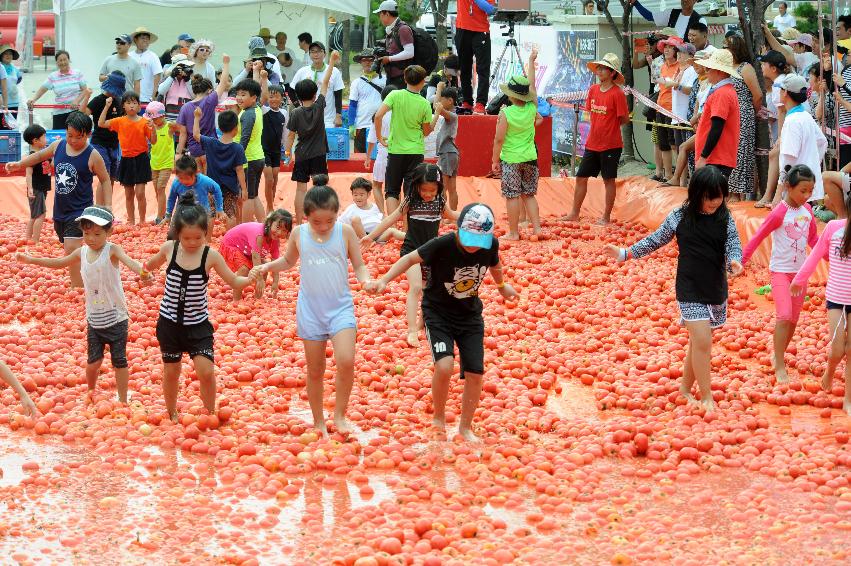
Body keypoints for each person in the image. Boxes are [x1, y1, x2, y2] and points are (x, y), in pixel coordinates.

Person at [366, 203, 517, 441]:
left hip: (470, 317)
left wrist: (501, 287)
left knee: (476, 373)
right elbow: (408, 259)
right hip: (437, 314)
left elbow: (495, 265)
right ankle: (438, 418)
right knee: (445, 366)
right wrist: (384, 280)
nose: (474, 246)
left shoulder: (490, 245)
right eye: (470, 239)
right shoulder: (441, 245)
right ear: (458, 230)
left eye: (479, 241)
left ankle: (465, 427)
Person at [605, 166, 743, 413]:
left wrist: (734, 261)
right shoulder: (680, 216)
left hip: (714, 287)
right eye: (710, 197)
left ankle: (684, 389)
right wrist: (626, 253)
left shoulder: (725, 218)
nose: (715, 202)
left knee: (697, 343)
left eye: (720, 196)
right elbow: (655, 240)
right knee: (703, 341)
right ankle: (707, 396)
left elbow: (733, 244)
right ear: (697, 193)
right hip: (689, 287)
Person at [251, 184, 372, 437]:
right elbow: (288, 261)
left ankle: (339, 415)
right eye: (317, 221)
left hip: (340, 308)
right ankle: (318, 421)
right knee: (315, 369)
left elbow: (359, 266)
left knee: (347, 360)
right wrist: (265, 267)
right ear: (306, 216)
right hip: (311, 311)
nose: (324, 226)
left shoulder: (345, 232)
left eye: (330, 220)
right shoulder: (299, 234)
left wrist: (366, 281)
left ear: (337, 214)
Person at [17, 206, 150, 403]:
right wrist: (31, 259)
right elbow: (59, 263)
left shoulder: (112, 250)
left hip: (116, 317)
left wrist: (144, 273)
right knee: (93, 362)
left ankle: (123, 399)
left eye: (97, 234)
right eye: (87, 233)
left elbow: (131, 262)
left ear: (109, 232)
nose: (91, 238)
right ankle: (91, 390)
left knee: (119, 361)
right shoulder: (81, 252)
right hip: (94, 318)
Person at [144, 192, 251, 422]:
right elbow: (149, 266)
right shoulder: (169, 249)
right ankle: (172, 412)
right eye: (187, 238)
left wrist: (252, 277)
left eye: (198, 238)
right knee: (171, 372)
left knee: (206, 371)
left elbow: (233, 281)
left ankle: (209, 413)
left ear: (205, 234)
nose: (192, 243)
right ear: (178, 235)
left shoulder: (210, 256)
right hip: (169, 324)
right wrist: (144, 274)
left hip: (198, 326)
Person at [4, 111, 112, 288]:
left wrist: (108, 206)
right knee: (68, 246)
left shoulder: (93, 155)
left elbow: (105, 179)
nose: (73, 141)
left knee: (71, 248)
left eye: (79, 137)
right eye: (70, 136)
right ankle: (91, 269)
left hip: (80, 210)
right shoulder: (58, 146)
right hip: (60, 210)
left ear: (88, 135)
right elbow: (39, 156)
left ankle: (77, 287)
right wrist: (19, 164)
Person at [364, 163, 458, 347]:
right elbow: (391, 218)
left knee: (429, 292)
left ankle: (423, 326)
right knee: (415, 288)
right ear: (416, 186)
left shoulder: (439, 202)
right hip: (411, 250)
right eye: (424, 190)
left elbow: (453, 214)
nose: (428, 194)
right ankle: (412, 331)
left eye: (432, 190)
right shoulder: (411, 201)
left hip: (432, 254)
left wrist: (475, 216)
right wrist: (371, 237)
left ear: (439, 188)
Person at [741, 165, 818, 383]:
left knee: (793, 320)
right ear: (788, 187)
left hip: (800, 275)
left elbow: (813, 240)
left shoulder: (809, 211)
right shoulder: (779, 212)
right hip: (781, 273)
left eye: (810, 191)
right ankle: (780, 364)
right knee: (784, 315)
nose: (807, 195)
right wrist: (742, 262)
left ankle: (778, 354)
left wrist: (834, 255)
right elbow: (758, 236)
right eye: (803, 190)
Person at [791, 196, 851, 414]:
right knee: (837, 349)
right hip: (836, 297)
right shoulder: (834, 228)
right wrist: (799, 279)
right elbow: (815, 255)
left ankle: (848, 400)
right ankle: (830, 371)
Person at [565, 53, 629, 225]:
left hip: (611, 145)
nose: (599, 71)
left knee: (609, 180)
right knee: (581, 177)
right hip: (592, 143)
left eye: (604, 68)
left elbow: (624, 119)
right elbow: (589, 112)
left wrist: (609, 127)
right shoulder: (593, 90)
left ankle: (606, 217)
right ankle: (574, 213)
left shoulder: (617, 94)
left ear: (612, 73)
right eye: (599, 68)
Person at [491, 52, 544, 238]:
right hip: (530, 157)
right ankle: (537, 228)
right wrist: (531, 61)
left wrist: (494, 160)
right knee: (529, 194)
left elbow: (498, 139)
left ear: (510, 96)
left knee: (512, 195)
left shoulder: (506, 113)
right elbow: (533, 85)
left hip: (511, 159)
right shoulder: (531, 109)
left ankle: (514, 232)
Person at [286, 52, 340, 224]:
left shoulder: (295, 113)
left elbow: (290, 135)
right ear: (315, 95)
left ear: (299, 96)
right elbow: (325, 82)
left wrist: (288, 152)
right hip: (318, 153)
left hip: (301, 154)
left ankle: (301, 222)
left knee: (301, 189)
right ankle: (322, 218)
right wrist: (331, 62)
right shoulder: (319, 107)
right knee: (321, 188)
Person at [374, 65, 433, 216]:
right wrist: (436, 116)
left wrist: (380, 137)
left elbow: (378, 116)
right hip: (416, 151)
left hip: (396, 150)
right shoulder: (425, 103)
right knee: (410, 190)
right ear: (422, 82)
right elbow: (426, 132)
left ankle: (393, 227)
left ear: (405, 79)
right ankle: (408, 228)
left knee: (391, 190)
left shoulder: (395, 95)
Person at [767, 75, 827, 207]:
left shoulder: (792, 121)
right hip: (808, 186)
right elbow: (823, 142)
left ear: (785, 93)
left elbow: (788, 161)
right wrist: (812, 165)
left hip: (796, 189)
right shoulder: (806, 116)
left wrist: (778, 194)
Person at [98, 91, 156, 225]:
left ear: (139, 106)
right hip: (126, 159)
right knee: (129, 194)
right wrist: (106, 107)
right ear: (123, 106)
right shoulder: (119, 121)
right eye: (128, 103)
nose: (131, 106)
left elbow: (153, 141)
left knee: (140, 192)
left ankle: (142, 220)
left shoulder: (145, 122)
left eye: (134, 103)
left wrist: (153, 130)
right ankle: (130, 220)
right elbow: (101, 123)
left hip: (141, 159)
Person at [220, 209, 292, 301]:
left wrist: (275, 282)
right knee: (244, 269)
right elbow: (255, 257)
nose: (279, 233)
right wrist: (260, 279)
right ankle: (236, 301)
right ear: (270, 223)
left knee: (264, 268)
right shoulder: (259, 235)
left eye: (284, 230)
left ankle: (257, 300)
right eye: (277, 227)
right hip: (231, 244)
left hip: (246, 250)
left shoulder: (275, 241)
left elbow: (275, 263)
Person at [193, 108, 247, 229]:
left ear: (220, 128)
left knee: (210, 213)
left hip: (212, 186)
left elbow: (196, 135)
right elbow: (239, 170)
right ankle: (230, 241)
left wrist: (197, 117)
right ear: (236, 128)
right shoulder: (237, 148)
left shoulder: (211, 143)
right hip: (230, 187)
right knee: (230, 214)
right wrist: (243, 189)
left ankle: (206, 242)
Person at [176, 56, 232, 172]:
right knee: (211, 182)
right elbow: (223, 82)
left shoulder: (185, 107)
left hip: (194, 151)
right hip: (210, 148)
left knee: (199, 184)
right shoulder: (210, 100)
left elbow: (182, 134)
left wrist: (178, 153)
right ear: (209, 90)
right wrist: (226, 64)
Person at [724, 34, 761, 202]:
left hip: (743, 116)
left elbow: (757, 95)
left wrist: (750, 112)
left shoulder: (745, 68)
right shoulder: (726, 67)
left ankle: (737, 194)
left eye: (728, 47)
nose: (725, 49)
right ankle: (729, 192)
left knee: (741, 154)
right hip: (728, 117)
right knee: (729, 153)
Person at [694, 49, 741, 179]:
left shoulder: (722, 94)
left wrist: (704, 156)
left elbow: (717, 127)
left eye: (709, 69)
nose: (706, 72)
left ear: (719, 71)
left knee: (710, 197)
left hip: (715, 159)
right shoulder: (725, 91)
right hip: (717, 158)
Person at [81, 72, 125, 185]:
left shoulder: (119, 101)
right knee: (104, 174)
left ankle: (108, 201)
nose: (115, 94)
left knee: (112, 177)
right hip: (99, 142)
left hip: (114, 144)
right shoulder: (98, 100)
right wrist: (86, 97)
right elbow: (82, 114)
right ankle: (103, 202)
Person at [164, 154, 226, 234]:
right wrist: (168, 215)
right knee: (177, 236)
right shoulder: (176, 183)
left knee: (200, 237)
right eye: (180, 178)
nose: (183, 181)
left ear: (196, 173)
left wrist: (219, 209)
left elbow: (217, 189)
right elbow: (171, 198)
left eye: (187, 178)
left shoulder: (204, 181)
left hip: (202, 215)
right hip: (182, 214)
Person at [28, 50, 87, 130]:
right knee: (58, 137)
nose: (63, 62)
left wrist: (77, 101)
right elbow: (42, 89)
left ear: (69, 60)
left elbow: (85, 90)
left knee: (75, 137)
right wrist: (33, 99)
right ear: (56, 62)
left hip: (75, 111)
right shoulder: (53, 76)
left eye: (65, 59)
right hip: (59, 112)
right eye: (60, 60)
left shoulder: (77, 73)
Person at [454, 0, 496, 113]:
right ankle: (467, 101)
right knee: (464, 68)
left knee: (482, 69)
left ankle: (481, 103)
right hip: (462, 29)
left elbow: (491, 9)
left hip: (481, 30)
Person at [290, 42, 344, 128]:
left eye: (319, 51)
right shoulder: (303, 71)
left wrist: (338, 116)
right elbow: (291, 90)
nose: (316, 54)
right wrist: (299, 106)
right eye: (313, 51)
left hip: (329, 120)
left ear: (325, 54)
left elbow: (338, 94)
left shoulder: (334, 71)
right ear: (309, 54)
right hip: (307, 119)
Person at [234, 77, 265, 223]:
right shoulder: (256, 108)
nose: (239, 98)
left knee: (247, 197)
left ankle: (245, 229)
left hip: (249, 160)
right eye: (238, 94)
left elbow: (244, 139)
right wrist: (257, 71)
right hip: (257, 157)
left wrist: (236, 160)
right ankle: (263, 226)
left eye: (243, 94)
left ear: (253, 98)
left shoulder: (247, 114)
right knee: (254, 195)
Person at [365, 84, 397, 214]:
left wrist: (367, 157)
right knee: (395, 187)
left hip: (383, 153)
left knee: (377, 185)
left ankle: (382, 214)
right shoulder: (400, 115)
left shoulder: (378, 115)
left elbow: (372, 139)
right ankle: (395, 215)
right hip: (398, 152)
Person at [340, 177, 404, 241]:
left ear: (368, 194)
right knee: (355, 219)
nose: (358, 198)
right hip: (363, 236)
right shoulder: (351, 208)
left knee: (392, 231)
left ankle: (410, 238)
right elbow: (340, 222)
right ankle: (366, 242)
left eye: (361, 195)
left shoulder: (374, 207)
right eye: (355, 195)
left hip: (377, 235)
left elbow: (383, 220)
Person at [655, 36, 682, 181]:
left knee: (674, 144)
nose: (666, 49)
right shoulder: (663, 66)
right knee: (663, 144)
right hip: (660, 107)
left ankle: (678, 176)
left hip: (673, 110)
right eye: (665, 47)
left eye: (670, 47)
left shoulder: (680, 67)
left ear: (676, 50)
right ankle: (667, 175)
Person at [146, 101, 178, 224]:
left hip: (166, 162)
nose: (153, 120)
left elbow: (183, 129)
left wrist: (178, 152)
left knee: (161, 187)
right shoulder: (151, 127)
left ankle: (160, 217)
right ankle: (164, 214)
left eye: (155, 118)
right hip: (154, 162)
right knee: (157, 190)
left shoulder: (170, 126)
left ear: (162, 116)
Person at [349, 49, 386, 154]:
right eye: (364, 60)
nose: (367, 62)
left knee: (380, 155)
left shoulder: (385, 80)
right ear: (360, 62)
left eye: (371, 60)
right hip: (362, 125)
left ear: (376, 61)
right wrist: (351, 124)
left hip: (381, 125)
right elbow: (352, 105)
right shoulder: (356, 82)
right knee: (360, 156)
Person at [374, 0, 416, 89]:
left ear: (387, 14)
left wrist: (389, 59)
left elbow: (410, 52)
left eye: (380, 14)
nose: (379, 18)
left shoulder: (403, 29)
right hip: (392, 77)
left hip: (402, 79)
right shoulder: (392, 30)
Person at [261, 84, 289, 215]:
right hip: (263, 150)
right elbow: (262, 97)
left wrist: (287, 151)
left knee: (275, 176)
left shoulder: (284, 113)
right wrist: (264, 79)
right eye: (270, 97)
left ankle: (271, 202)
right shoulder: (264, 111)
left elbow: (285, 134)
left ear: (282, 98)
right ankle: (269, 207)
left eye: (276, 96)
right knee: (269, 178)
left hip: (277, 150)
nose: (273, 99)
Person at [432, 84, 460, 211]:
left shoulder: (452, 116)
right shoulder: (451, 116)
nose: (440, 103)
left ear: (450, 101)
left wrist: (438, 88)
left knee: (443, 186)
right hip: (451, 153)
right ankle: (453, 213)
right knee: (452, 187)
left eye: (442, 99)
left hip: (447, 153)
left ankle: (444, 213)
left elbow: (435, 106)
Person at [22, 125, 51, 244]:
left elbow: (52, 164)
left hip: (42, 188)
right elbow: (28, 174)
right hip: (36, 188)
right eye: (44, 137)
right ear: (35, 140)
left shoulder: (44, 153)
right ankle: (35, 239)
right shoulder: (32, 156)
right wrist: (30, 188)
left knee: (35, 215)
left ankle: (28, 238)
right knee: (40, 215)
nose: (47, 139)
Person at [632, 0, 707, 40]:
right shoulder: (672, 13)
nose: (685, 0)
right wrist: (636, 3)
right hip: (669, 60)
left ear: (695, 0)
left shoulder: (700, 21)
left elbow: (700, 43)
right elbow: (649, 16)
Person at [129, 27, 162, 104]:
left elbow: (157, 75)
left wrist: (154, 95)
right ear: (135, 40)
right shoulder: (129, 56)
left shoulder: (153, 56)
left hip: (147, 99)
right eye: (142, 38)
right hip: (130, 98)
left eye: (147, 38)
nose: (145, 40)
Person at [157, 53, 194, 122]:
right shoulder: (168, 79)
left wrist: (187, 80)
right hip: (169, 116)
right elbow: (161, 91)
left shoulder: (190, 80)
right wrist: (172, 76)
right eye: (181, 66)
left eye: (186, 66)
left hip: (186, 117)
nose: (183, 69)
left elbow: (194, 96)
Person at [0, 45, 21, 128]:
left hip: (14, 101)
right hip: (2, 103)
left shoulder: (15, 69)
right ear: (1, 56)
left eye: (10, 54)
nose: (8, 56)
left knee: (11, 126)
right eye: (6, 54)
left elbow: (19, 79)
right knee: (3, 127)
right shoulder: (0, 67)